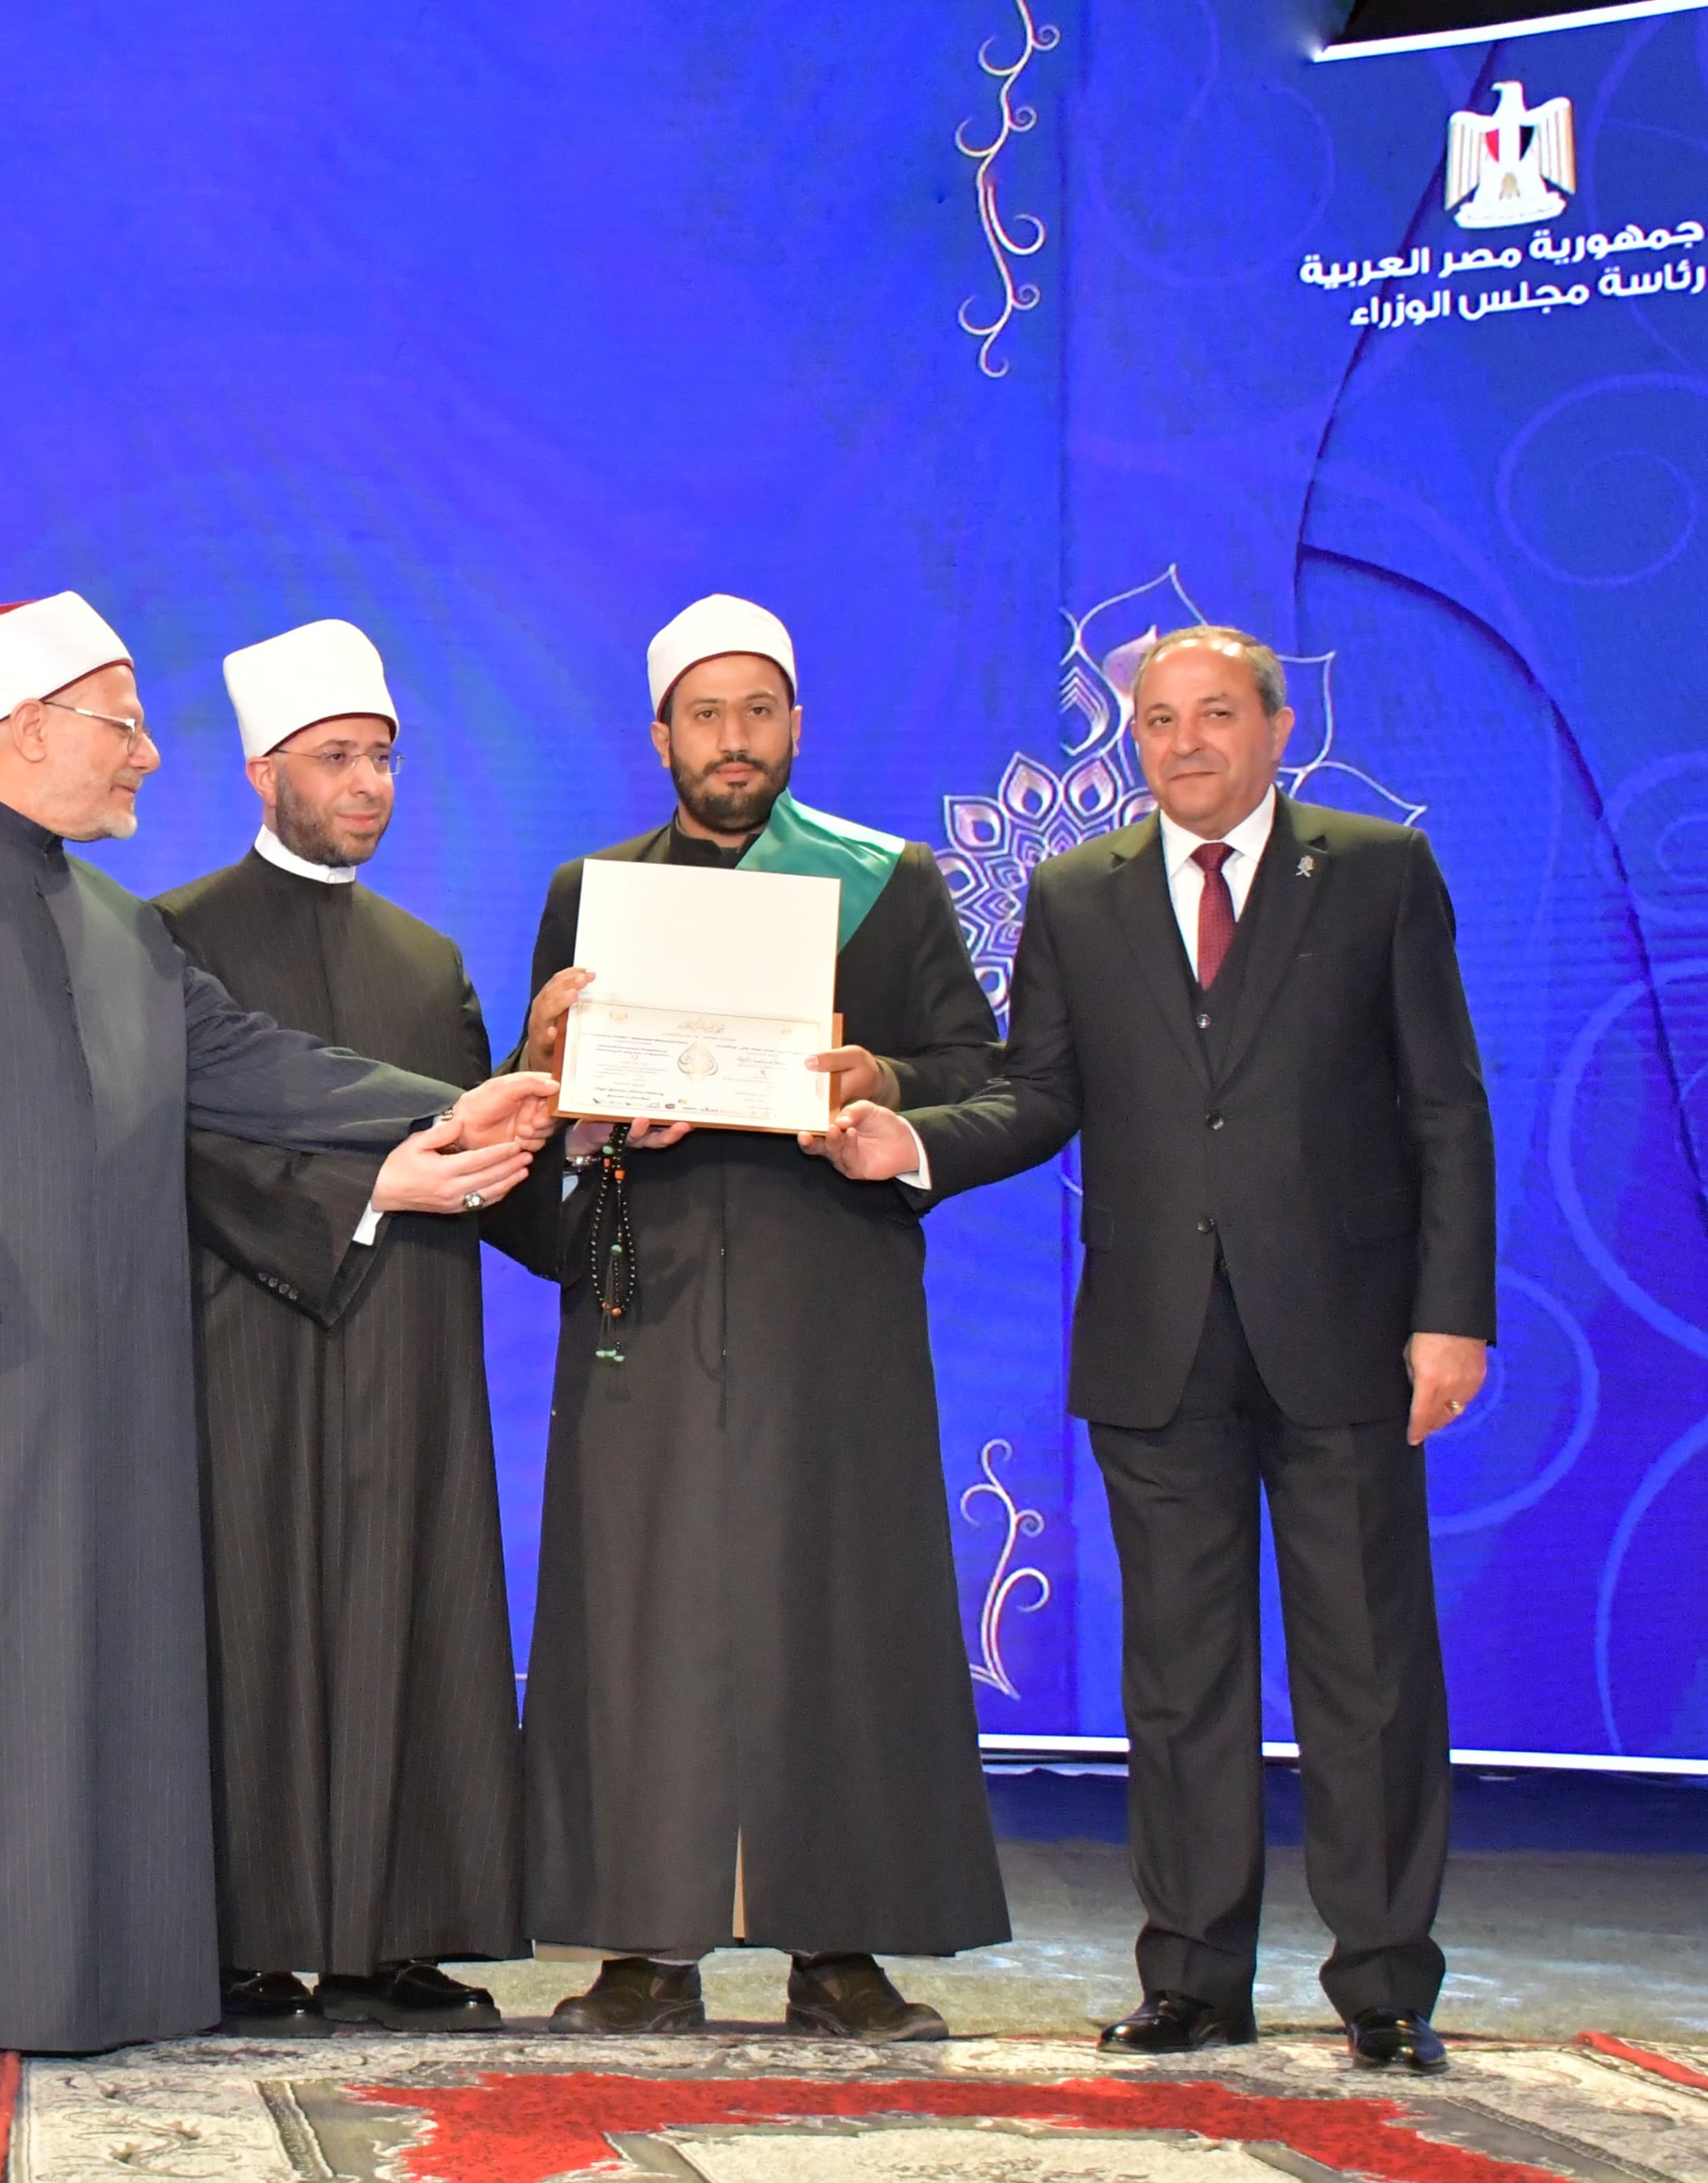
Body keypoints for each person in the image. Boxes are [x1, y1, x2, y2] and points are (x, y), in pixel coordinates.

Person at [0, 593, 556, 2071]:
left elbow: (246, 1063)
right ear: (29, 727)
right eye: (125, 725)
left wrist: (446, 1107)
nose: (149, 757)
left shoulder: (114, 924)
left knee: (39, 1692)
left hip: (86, 1379)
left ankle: (27, 1977)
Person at [812, 624, 1491, 2075]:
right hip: (1155, 1345)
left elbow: (1446, 1104)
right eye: (1160, 720)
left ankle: (1384, 1984)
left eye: (1215, 714)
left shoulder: (1377, 872)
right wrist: (908, 1141)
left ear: (1276, 727)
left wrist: (1451, 1314)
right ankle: (1191, 1977)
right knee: (1180, 1679)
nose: (1185, 742)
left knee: (1370, 1671)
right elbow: (1039, 1093)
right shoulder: (1078, 893)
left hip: (1346, 1338)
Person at [500, 594, 1010, 2041]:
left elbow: (979, 1072)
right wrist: (556, 1068)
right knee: (638, 1610)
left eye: (759, 712)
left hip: (828, 1291)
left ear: (796, 725)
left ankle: (838, 1946)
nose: (735, 740)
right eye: (707, 715)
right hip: (647, 1287)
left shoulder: (887, 883)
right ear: (661, 734)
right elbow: (538, 1103)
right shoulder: (593, 890)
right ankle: (643, 1945)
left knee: (837, 1604)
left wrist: (883, 1085)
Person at [155, 620, 525, 2037]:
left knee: (410, 1614)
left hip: (410, 1335)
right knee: (248, 1619)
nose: (367, 784)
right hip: (243, 1329)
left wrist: (571, 1098)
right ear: (262, 771)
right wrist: (362, 1193)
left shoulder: (428, 959)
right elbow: (175, 1138)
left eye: (382, 757)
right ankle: (244, 1940)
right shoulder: (175, 934)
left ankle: (392, 1936)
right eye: (335, 758)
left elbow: (480, 1147)